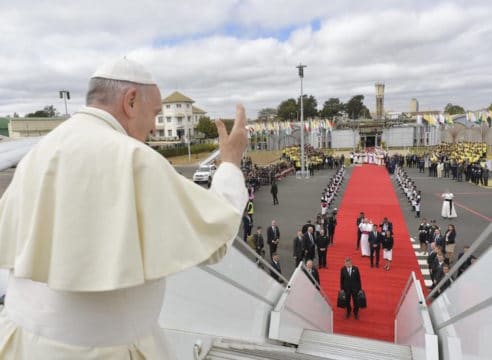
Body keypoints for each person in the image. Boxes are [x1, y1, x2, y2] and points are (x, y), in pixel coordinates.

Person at [0, 58, 249, 358]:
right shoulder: (135, 158)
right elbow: (216, 241)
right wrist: (231, 163)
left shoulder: (35, 154)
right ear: (131, 101)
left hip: (21, 346)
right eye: (156, 113)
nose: (156, 127)